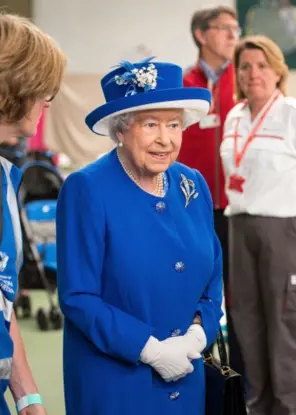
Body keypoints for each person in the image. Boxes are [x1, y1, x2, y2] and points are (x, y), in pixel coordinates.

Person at [56, 58, 222, 414]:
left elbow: (214, 276)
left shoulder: (192, 183)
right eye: (151, 125)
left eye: (174, 125)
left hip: (187, 376)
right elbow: (77, 296)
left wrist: (196, 336)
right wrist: (151, 350)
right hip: (115, 384)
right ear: (120, 129)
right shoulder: (87, 188)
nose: (165, 139)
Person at [221, 35, 296, 415]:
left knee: (284, 329)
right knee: (247, 324)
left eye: (261, 65)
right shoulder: (234, 117)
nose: (253, 74)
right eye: (245, 66)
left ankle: (287, 410)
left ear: (277, 71)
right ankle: (257, 406)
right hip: (240, 227)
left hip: (287, 230)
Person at [0, 11, 66, 415]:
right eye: (43, 88)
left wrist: (27, 396)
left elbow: (0, 296)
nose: (48, 100)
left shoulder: (5, 176)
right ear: (12, 85)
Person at [178, 5, 246, 381]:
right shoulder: (184, 85)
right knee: (195, 291)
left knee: (238, 300)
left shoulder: (246, 80)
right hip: (194, 209)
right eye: (224, 28)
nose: (233, 35)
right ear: (202, 35)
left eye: (236, 28)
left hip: (238, 209)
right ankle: (196, 372)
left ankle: (238, 379)